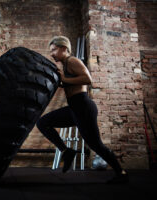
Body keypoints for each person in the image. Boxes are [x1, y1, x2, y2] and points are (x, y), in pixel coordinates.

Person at [36, 36, 128, 183]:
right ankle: (67, 151)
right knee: (43, 123)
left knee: (96, 145)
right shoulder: (65, 65)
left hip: (84, 107)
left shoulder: (72, 61)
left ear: (64, 48)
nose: (51, 53)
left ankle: (121, 173)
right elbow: (72, 84)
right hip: (74, 108)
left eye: (54, 49)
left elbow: (88, 79)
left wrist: (65, 80)